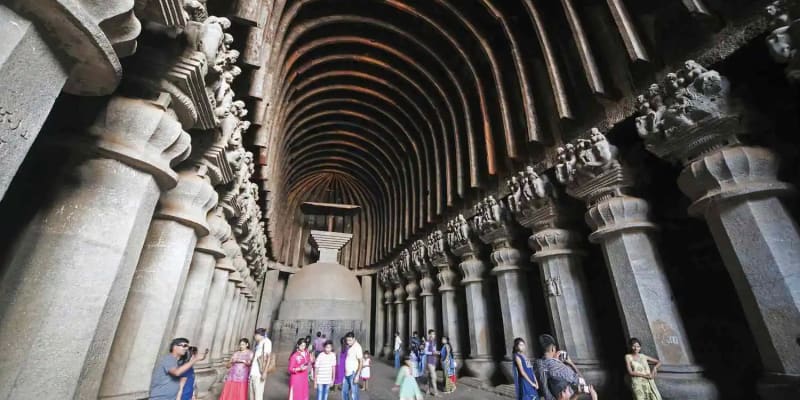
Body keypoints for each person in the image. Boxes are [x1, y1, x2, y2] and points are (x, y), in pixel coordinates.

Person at [535, 334, 598, 400]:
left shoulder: (537, 364)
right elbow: (581, 382)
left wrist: (556, 361)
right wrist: (570, 363)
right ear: (553, 348)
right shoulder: (558, 367)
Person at [250, 328, 272, 400]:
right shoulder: (259, 343)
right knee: (252, 395)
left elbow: (268, 357)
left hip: (259, 373)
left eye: (255, 335)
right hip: (253, 372)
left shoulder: (267, 342)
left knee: (258, 395)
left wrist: (265, 372)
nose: (254, 337)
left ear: (259, 335)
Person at [342, 331, 364, 400]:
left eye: (350, 340)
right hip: (347, 373)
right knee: (344, 392)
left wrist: (357, 375)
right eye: (347, 340)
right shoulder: (349, 346)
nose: (348, 342)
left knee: (354, 394)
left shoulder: (358, 347)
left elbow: (361, 362)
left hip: (353, 373)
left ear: (354, 339)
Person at [423, 330, 440, 396]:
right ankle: (436, 392)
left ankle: (428, 390)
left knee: (429, 376)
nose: (434, 335)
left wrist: (437, 352)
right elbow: (425, 352)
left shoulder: (434, 342)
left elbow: (434, 350)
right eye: (432, 334)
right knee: (434, 376)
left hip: (434, 360)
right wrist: (433, 353)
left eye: (434, 334)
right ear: (429, 334)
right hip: (429, 360)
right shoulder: (427, 342)